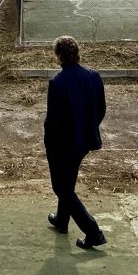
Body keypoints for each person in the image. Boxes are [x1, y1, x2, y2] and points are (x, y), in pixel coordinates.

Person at [43, 35, 107, 249]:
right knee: (67, 182)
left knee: (61, 187)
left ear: (58, 55)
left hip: (62, 144)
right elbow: (100, 110)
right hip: (83, 142)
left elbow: (53, 121)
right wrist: (88, 129)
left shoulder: (57, 82)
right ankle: (62, 221)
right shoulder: (93, 76)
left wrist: (49, 144)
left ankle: (93, 231)